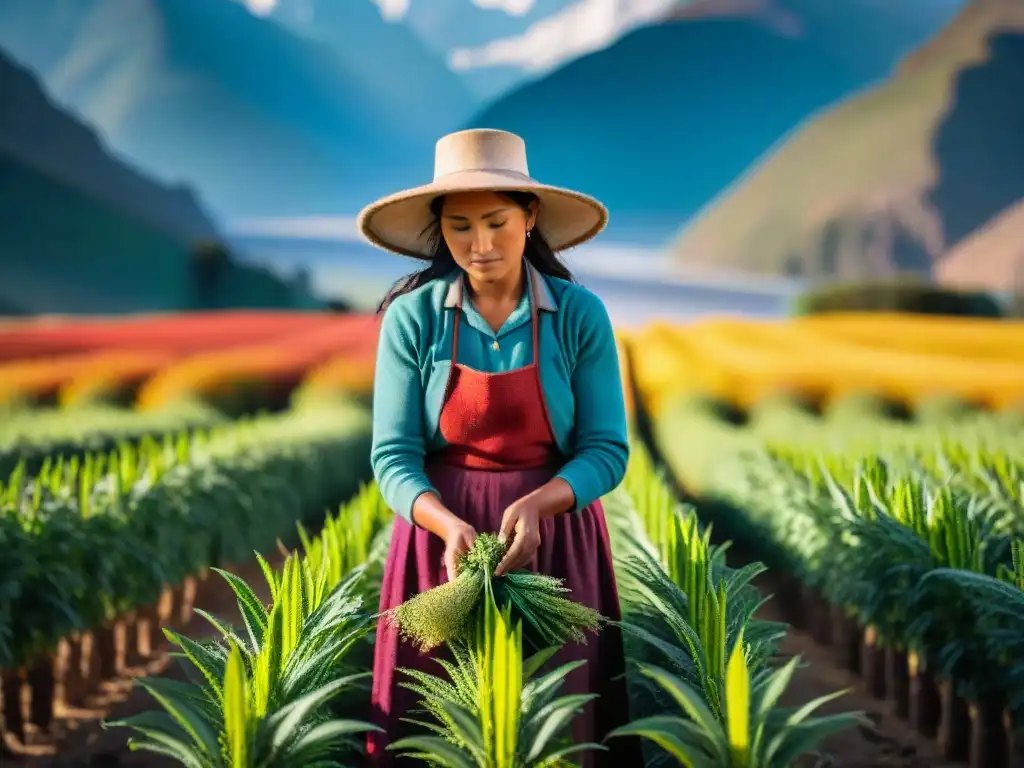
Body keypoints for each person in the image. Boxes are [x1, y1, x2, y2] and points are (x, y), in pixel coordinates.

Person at [360, 128, 640, 767]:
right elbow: (392, 456)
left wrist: (545, 503)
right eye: (459, 227)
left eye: (495, 222)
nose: (479, 245)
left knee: (552, 724)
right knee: (439, 726)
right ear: (439, 229)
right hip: (440, 551)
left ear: (530, 216)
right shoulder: (415, 318)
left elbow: (606, 448)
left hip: (556, 545)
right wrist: (443, 523)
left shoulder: (578, 315)